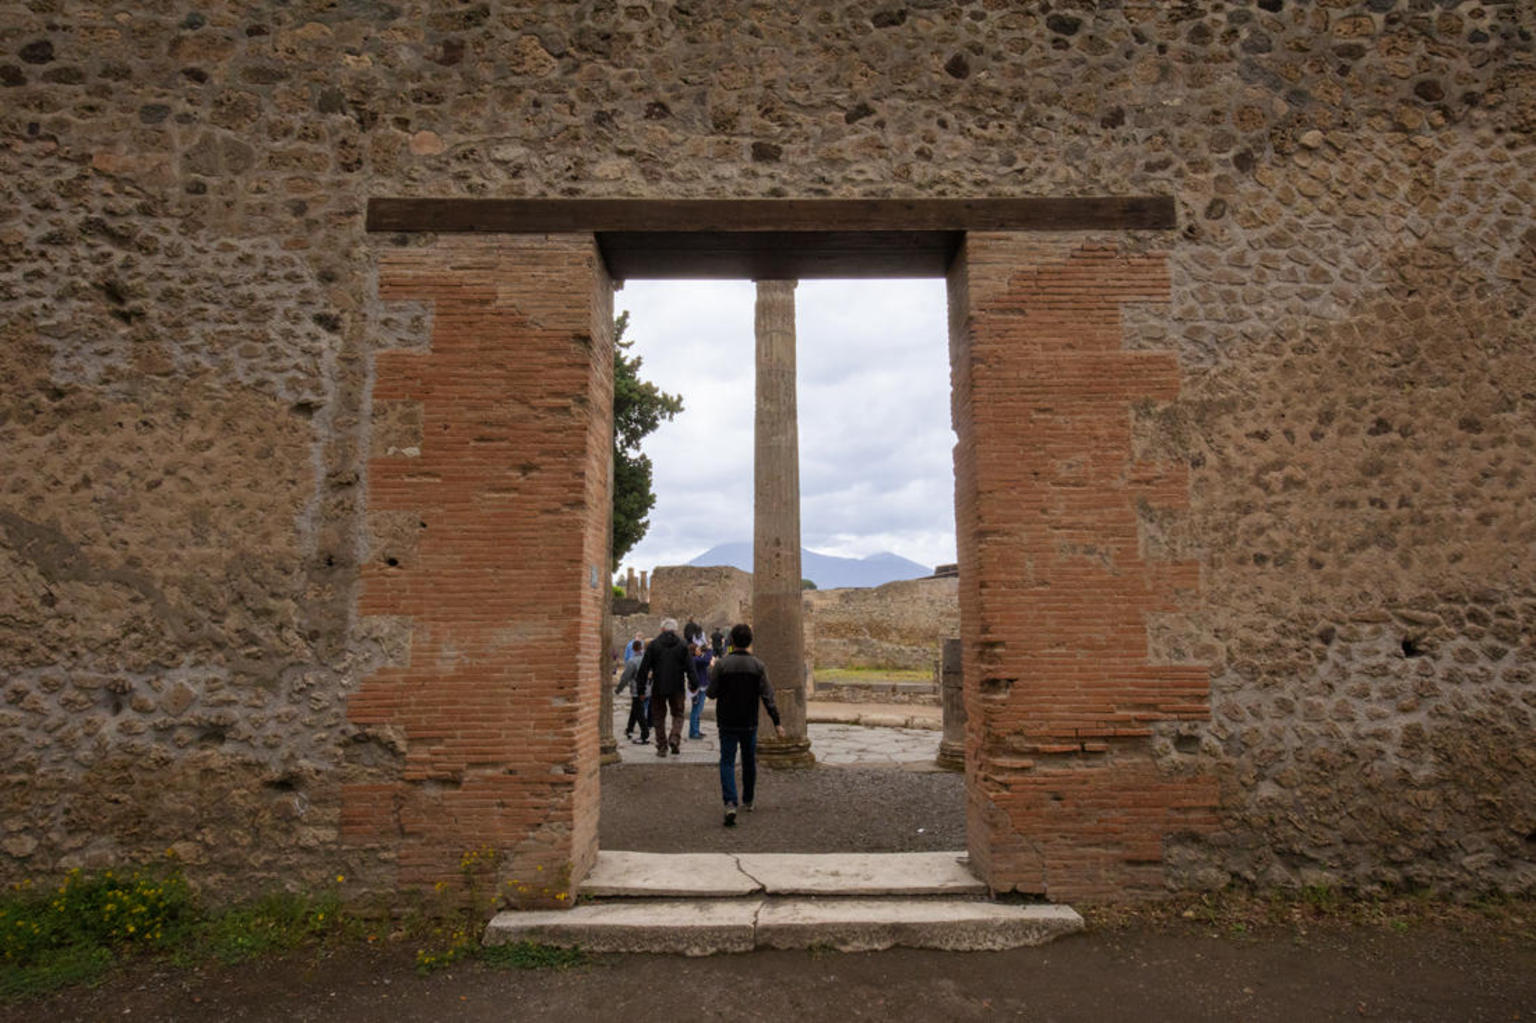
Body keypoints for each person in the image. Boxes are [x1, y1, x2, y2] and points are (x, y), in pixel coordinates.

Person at [707, 623, 785, 826]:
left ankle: (730, 802)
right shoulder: (758, 666)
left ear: (731, 641)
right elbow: (768, 696)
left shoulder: (722, 665)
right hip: (749, 721)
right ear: (750, 641)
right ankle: (748, 799)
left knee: (727, 762)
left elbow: (711, 693)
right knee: (749, 761)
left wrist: (712, 671)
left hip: (727, 721)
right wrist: (777, 722)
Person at [635, 618, 699, 757]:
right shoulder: (682, 645)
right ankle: (675, 738)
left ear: (662, 629)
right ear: (675, 630)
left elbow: (644, 669)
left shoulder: (653, 645)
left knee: (658, 716)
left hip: (658, 686)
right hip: (677, 686)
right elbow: (690, 667)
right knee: (678, 714)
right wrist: (694, 684)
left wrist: (641, 689)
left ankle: (662, 746)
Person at [615, 638, 648, 744]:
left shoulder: (632, 661)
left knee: (639, 712)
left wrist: (619, 689)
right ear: (641, 648)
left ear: (633, 649)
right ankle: (629, 729)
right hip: (647, 688)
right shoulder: (646, 659)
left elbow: (625, 677)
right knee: (635, 710)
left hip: (636, 690)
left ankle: (645, 733)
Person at [687, 640, 713, 740]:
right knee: (696, 710)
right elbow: (706, 660)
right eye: (697, 649)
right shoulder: (694, 660)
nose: (699, 650)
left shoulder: (696, 659)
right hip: (698, 688)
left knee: (698, 710)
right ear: (693, 651)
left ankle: (696, 730)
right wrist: (709, 650)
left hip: (700, 687)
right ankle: (693, 732)